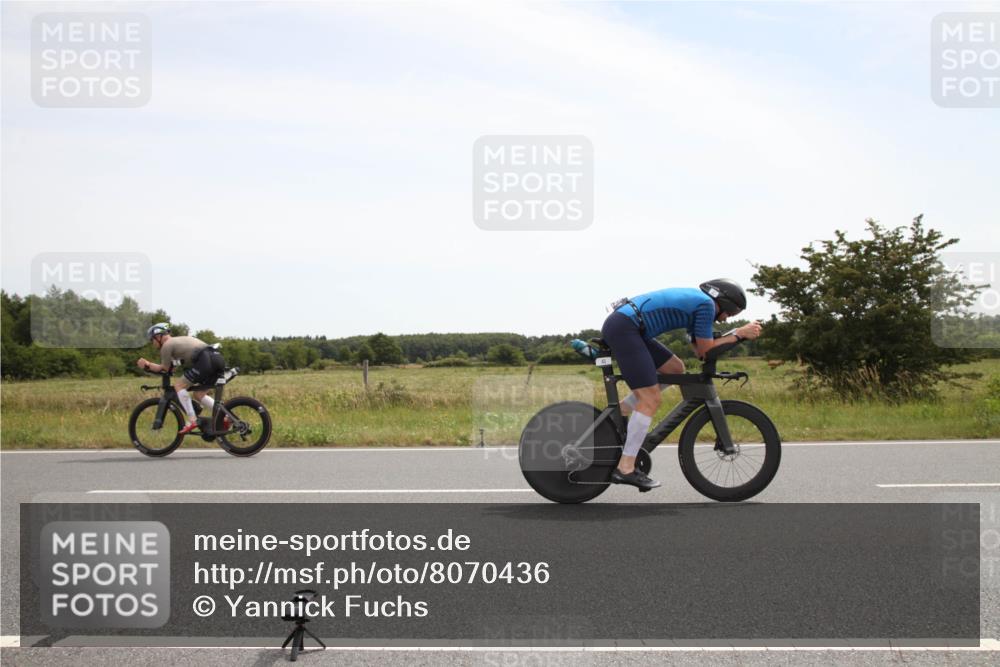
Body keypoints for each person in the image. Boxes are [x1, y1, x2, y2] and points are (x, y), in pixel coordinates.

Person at [601, 279, 762, 490]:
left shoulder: (699, 304)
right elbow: (706, 350)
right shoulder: (706, 305)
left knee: (675, 369)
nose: (724, 320)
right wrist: (739, 334)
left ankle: (623, 409)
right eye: (729, 315)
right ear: (725, 303)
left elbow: (700, 351)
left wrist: (735, 336)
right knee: (650, 399)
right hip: (625, 328)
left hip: (629, 327)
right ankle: (625, 468)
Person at [136, 323, 226, 436]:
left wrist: (147, 365)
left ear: (158, 336)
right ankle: (226, 416)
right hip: (217, 358)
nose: (152, 343)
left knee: (179, 386)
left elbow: (164, 368)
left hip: (205, 360)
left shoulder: (166, 346)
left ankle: (193, 419)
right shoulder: (178, 342)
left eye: (151, 339)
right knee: (199, 394)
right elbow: (172, 368)